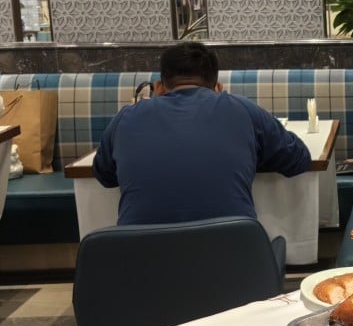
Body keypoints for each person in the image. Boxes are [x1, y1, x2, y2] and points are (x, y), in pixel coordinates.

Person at [94, 43, 311, 225]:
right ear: (218, 87)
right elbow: (299, 159)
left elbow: (104, 175)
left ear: (158, 88)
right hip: (235, 261)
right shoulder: (243, 110)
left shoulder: (125, 118)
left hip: (140, 265)